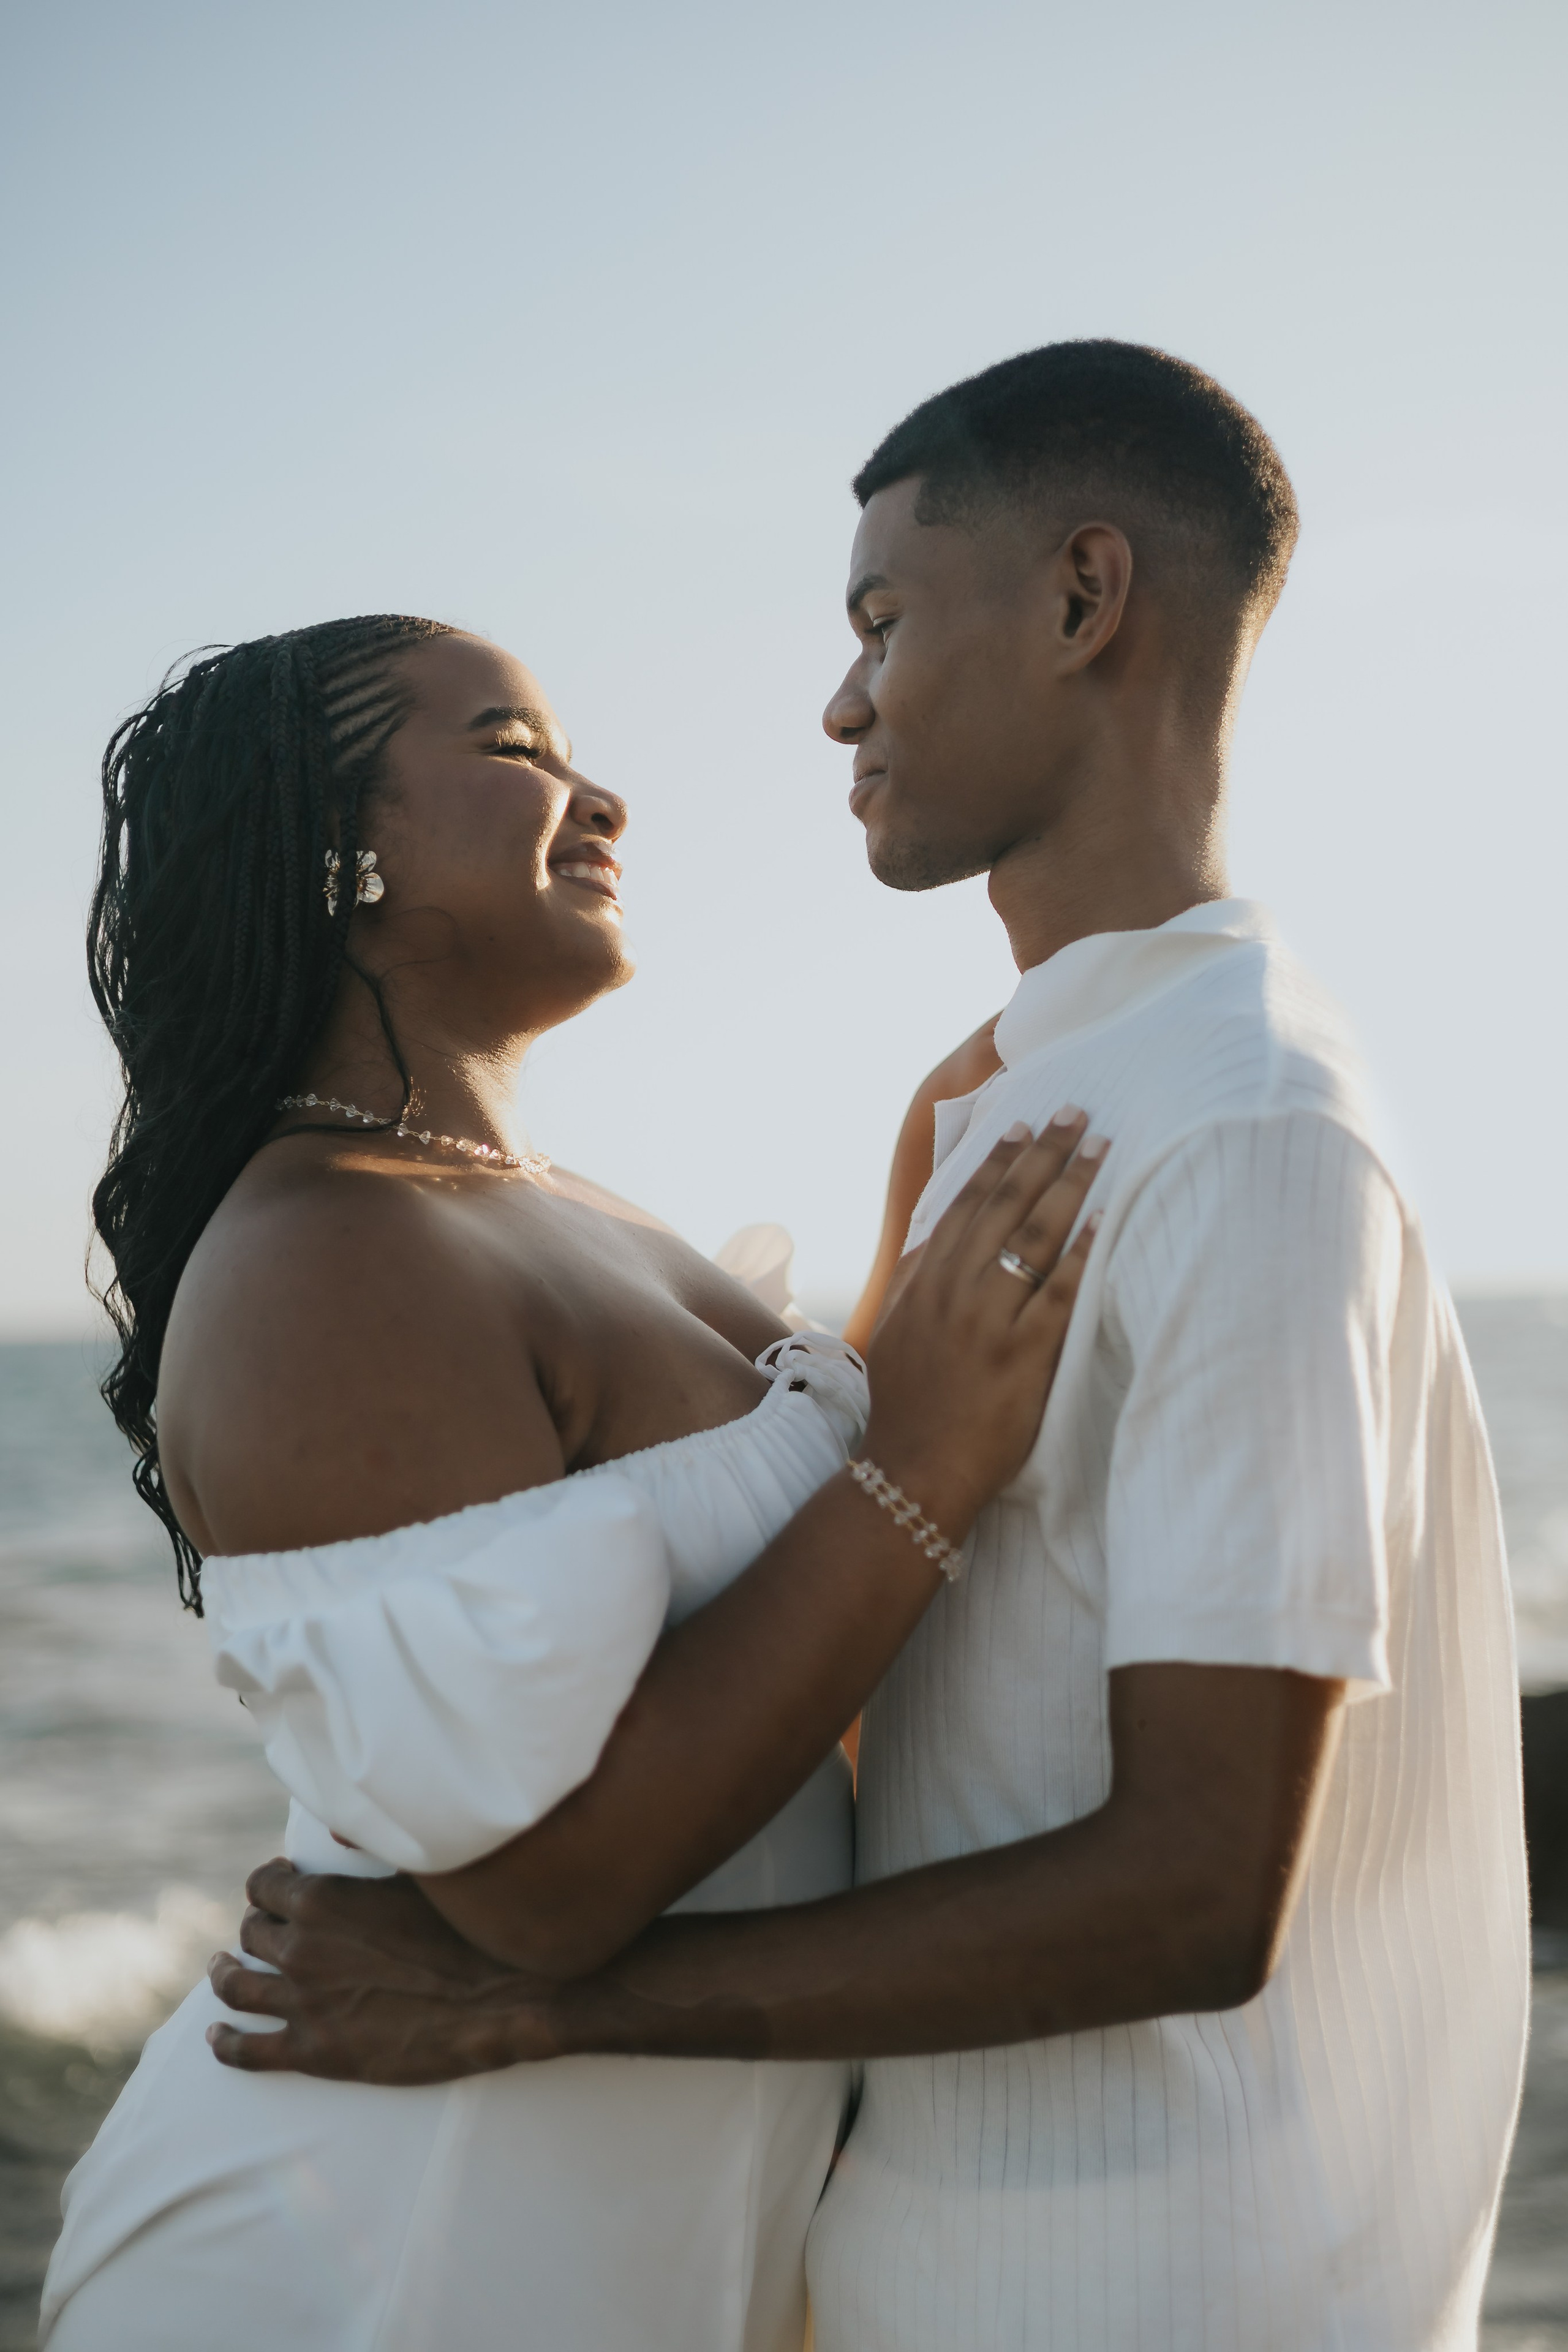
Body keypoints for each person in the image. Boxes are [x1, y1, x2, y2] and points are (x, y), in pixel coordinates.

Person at [206, 343, 1531, 2351]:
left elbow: (1197, 1889)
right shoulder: (995, 1096)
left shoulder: (1246, 1123)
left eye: (884, 625)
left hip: (1168, 2285)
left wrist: (541, 2001)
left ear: (1086, 602)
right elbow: (912, 1691)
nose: (839, 703)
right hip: (916, 2252)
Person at [40, 617, 1105, 2351]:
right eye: (517, 749)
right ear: (340, 847)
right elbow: (539, 1897)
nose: (599, 794)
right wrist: (924, 1463)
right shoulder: (329, 1254)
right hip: (389, 2254)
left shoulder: (560, 1205)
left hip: (633, 2218)